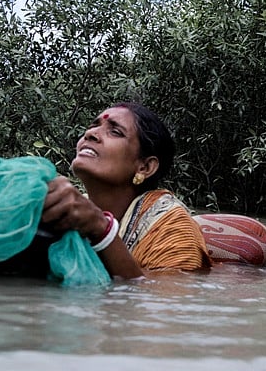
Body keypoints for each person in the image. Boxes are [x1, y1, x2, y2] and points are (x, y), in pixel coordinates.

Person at [40, 101, 211, 279]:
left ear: (144, 167)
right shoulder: (69, 210)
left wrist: (102, 231)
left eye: (115, 132)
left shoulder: (174, 227)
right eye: (93, 126)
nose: (90, 133)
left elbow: (165, 299)